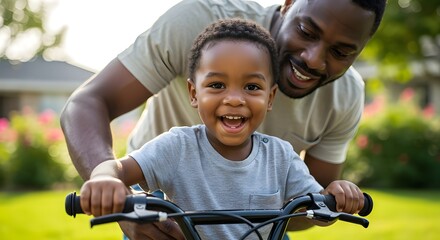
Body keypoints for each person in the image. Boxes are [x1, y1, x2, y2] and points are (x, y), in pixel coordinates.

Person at [60, 0, 386, 238]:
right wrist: (119, 198)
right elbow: (87, 103)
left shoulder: (339, 101)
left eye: (341, 52)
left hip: (258, 226)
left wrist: (335, 199)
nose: (313, 60)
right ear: (288, 4)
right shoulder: (200, 23)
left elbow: (309, 208)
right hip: (160, 212)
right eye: (306, 31)